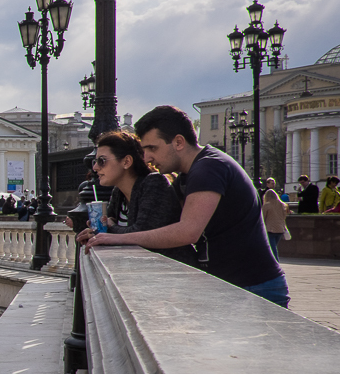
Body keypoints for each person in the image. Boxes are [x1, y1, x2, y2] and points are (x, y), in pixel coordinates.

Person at [86, 106, 288, 307]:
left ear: (178, 142)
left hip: (255, 288)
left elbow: (187, 232)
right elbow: (163, 226)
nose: (146, 158)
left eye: (152, 148)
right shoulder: (187, 176)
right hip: (231, 287)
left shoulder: (209, 168)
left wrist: (116, 237)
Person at [72, 130, 195, 265]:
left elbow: (141, 235)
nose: (95, 167)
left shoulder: (154, 183)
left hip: (175, 273)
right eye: (95, 161)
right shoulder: (118, 193)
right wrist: (95, 232)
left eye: (101, 161)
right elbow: (111, 234)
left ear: (126, 161)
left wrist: (111, 226)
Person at [261, 185, 289, 260]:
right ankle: (271, 261)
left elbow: (262, 218)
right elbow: (284, 217)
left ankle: (275, 262)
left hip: (270, 229)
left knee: (272, 248)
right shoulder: (282, 205)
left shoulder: (266, 205)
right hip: (280, 229)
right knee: (273, 246)